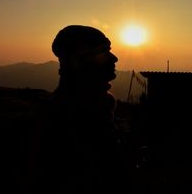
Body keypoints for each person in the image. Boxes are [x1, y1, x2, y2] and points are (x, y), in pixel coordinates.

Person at [31, 25, 123, 194]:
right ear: (78, 61)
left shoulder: (92, 106)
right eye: (103, 53)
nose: (114, 58)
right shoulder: (69, 118)